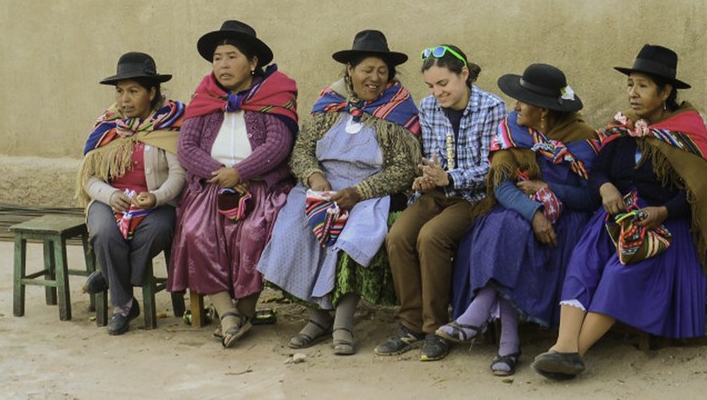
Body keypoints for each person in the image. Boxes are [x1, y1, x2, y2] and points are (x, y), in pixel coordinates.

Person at [532, 44, 707, 380]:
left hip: (664, 227)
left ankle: (576, 352)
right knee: (584, 258)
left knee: (623, 271)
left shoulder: (686, 132)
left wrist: (662, 211)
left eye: (643, 86)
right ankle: (563, 345)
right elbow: (599, 170)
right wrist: (604, 187)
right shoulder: (623, 127)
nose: (633, 93)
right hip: (616, 218)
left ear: (665, 92)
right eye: (630, 84)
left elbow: (698, 196)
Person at [258, 30, 421, 355]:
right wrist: (315, 177)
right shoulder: (329, 104)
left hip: (369, 193)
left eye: (381, 72)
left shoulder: (399, 110)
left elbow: (405, 169)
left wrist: (359, 192)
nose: (374, 78)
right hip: (323, 186)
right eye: (367, 70)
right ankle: (317, 317)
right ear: (350, 69)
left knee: (354, 236)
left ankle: (342, 321)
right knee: (297, 228)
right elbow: (301, 150)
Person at [438, 63, 599, 376]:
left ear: (542, 111)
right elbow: (501, 186)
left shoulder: (582, 139)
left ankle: (494, 332)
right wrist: (534, 212)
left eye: (522, 101)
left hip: (565, 219)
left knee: (512, 232)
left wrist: (550, 189)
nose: (515, 106)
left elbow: (589, 198)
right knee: (505, 225)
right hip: (519, 210)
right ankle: (505, 341)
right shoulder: (514, 129)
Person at [167, 20, 298, 348]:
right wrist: (219, 173)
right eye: (217, 58)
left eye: (231, 57)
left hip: (260, 185)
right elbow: (186, 147)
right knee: (197, 230)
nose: (222, 65)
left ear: (253, 62)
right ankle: (226, 311)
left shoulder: (275, 93)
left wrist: (240, 173)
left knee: (253, 231)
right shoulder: (205, 96)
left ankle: (246, 310)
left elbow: (278, 144)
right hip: (212, 185)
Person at [375, 44, 507, 361]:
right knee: (397, 237)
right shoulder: (428, 107)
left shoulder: (492, 107)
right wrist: (425, 177)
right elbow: (428, 157)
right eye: (431, 86)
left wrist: (450, 178)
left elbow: (493, 167)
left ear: (463, 75)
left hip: (472, 198)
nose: (437, 92)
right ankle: (411, 324)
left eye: (443, 84)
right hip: (435, 193)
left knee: (431, 237)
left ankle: (436, 328)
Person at [77, 52, 186, 335]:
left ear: (151, 92)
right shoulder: (107, 127)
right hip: (110, 201)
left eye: (133, 91)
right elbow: (89, 179)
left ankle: (111, 276)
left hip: (154, 204)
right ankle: (124, 305)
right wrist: (111, 195)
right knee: (102, 231)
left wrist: (156, 197)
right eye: (120, 91)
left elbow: (179, 176)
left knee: (159, 229)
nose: (124, 99)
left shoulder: (168, 126)